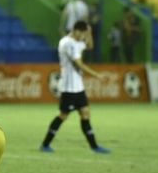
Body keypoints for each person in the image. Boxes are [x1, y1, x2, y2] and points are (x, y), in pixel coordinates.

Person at [40, 21, 110, 154]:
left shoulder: (77, 41)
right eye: (82, 33)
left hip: (78, 87)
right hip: (68, 87)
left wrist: (89, 33)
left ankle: (94, 146)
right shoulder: (67, 43)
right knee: (63, 115)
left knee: (85, 113)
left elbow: (90, 45)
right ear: (76, 30)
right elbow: (79, 64)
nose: (83, 36)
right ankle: (45, 144)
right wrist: (97, 75)